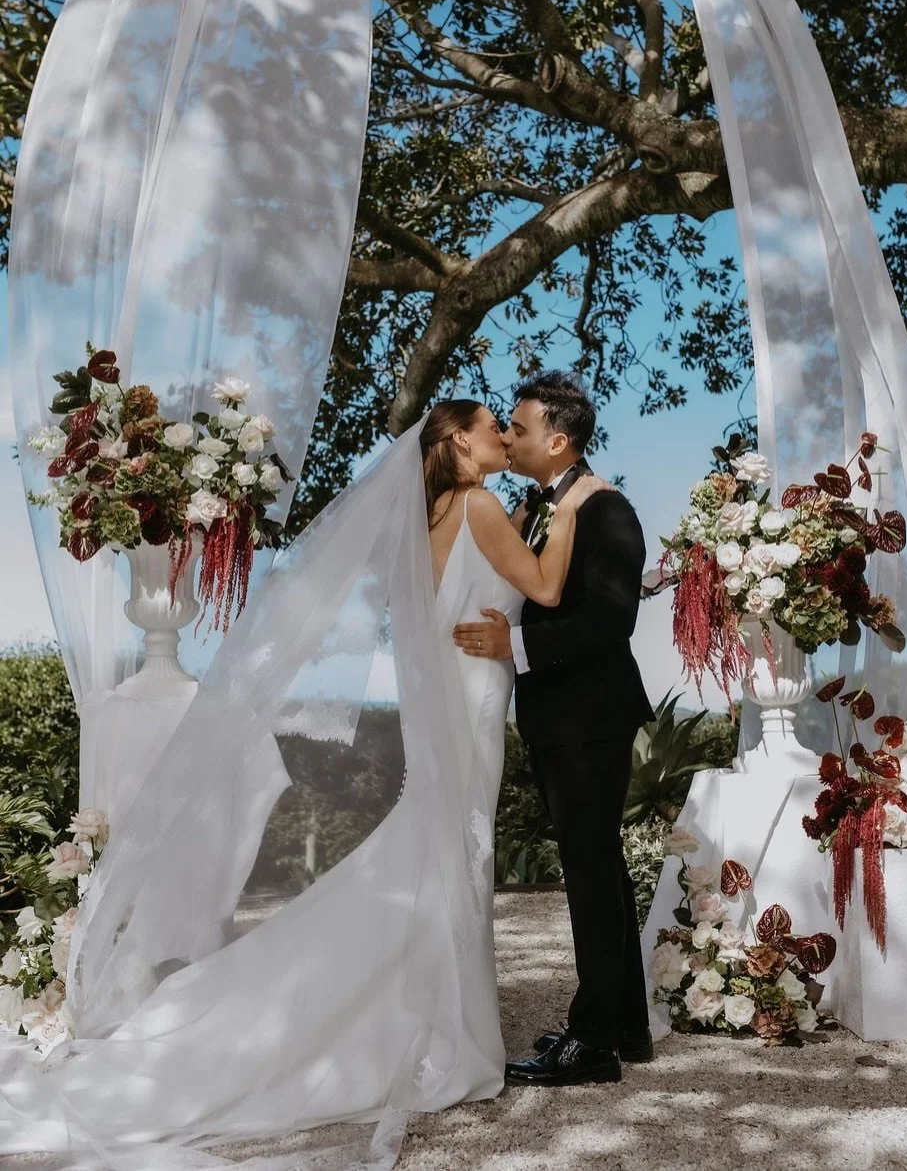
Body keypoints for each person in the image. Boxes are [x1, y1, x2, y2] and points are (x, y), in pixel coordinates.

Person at [0, 402, 610, 1165]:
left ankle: (440, 1007)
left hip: (460, 693)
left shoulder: (441, 515)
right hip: (475, 698)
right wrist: (575, 504)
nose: (501, 437)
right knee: (462, 846)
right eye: (491, 426)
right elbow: (548, 588)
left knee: (448, 846)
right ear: (458, 443)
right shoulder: (483, 503)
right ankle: (447, 1026)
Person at [453, 371, 654, 1088]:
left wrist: (519, 647)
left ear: (558, 439)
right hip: (557, 718)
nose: (508, 435)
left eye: (520, 426)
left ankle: (593, 1040)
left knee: (592, 872)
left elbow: (610, 620)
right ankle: (627, 1026)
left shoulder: (607, 510)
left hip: (591, 716)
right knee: (597, 868)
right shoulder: (537, 504)